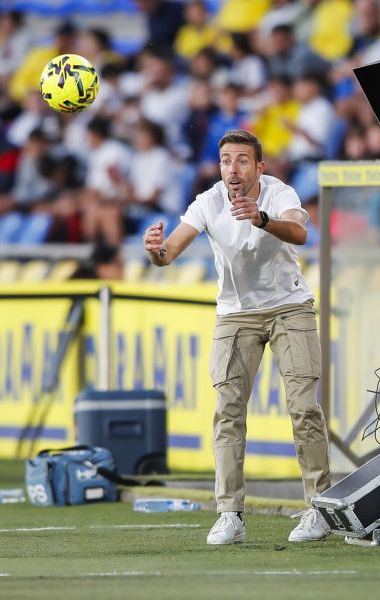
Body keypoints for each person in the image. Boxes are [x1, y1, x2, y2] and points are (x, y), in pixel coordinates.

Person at [142, 130, 331, 545]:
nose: (233, 168)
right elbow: (168, 254)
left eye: (243, 160)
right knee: (228, 412)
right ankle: (230, 514)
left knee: (303, 409)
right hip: (235, 314)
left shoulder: (280, 194)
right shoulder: (208, 202)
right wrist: (154, 249)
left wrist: (262, 218)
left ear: (260, 168)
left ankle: (319, 508)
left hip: (289, 306)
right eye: (227, 160)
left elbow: (301, 233)